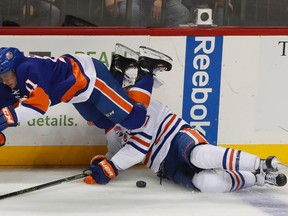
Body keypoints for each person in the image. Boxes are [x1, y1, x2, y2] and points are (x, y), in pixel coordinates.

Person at [83, 53, 287, 193]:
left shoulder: (139, 105)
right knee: (205, 183)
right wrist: (103, 161)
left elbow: (138, 148)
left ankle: (260, 163)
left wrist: (111, 168)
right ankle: (259, 178)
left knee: (198, 155)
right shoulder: (112, 128)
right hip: (162, 165)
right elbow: (117, 151)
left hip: (175, 137)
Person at [0, 46, 172, 140]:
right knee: (104, 122)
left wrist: (8, 119)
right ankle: (119, 66)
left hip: (89, 77)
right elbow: (6, 106)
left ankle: (147, 69)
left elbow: (38, 106)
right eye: (1, 77)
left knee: (135, 120)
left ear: (16, 68)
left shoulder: (29, 70)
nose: (5, 81)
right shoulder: (8, 81)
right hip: (76, 93)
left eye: (7, 75)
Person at [107, 0, 190, 27]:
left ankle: (171, 45)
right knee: (131, 11)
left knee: (181, 13)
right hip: (133, 2)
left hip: (161, 2)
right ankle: (137, 43)